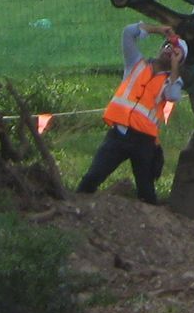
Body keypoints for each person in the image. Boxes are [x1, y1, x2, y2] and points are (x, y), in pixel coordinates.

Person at [76, 21, 186, 205]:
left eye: (176, 52)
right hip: (119, 134)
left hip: (144, 141)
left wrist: (175, 68)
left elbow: (173, 96)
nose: (169, 51)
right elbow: (128, 33)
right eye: (168, 46)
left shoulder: (171, 81)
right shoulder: (136, 64)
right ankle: (76, 206)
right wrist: (157, 29)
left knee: (146, 192)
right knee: (93, 176)